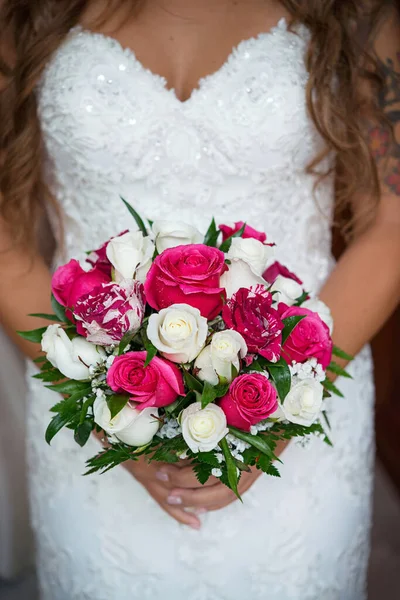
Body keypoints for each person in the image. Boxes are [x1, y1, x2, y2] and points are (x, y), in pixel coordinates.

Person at [1, 1, 400, 598]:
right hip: (89, 409)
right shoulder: (23, 12)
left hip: (304, 408)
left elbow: (390, 224)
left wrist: (283, 408)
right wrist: (105, 413)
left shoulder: (357, 11)